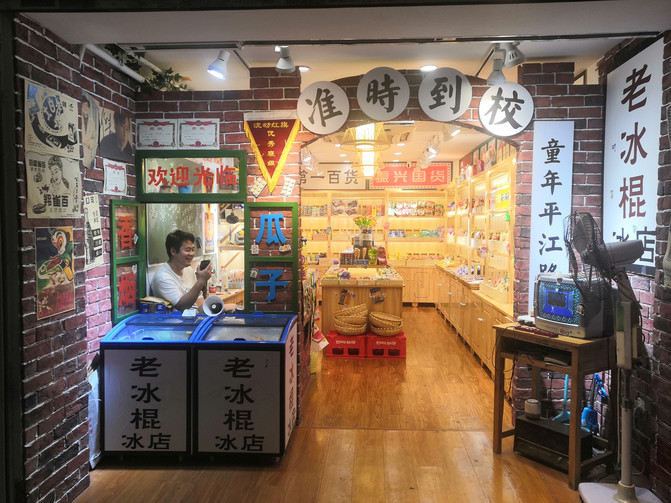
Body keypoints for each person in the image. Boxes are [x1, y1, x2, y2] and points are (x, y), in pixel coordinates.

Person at [151, 230, 212, 312]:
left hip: (195, 318)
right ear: (173, 251)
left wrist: (214, 309)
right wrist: (201, 280)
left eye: (193, 250)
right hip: (177, 320)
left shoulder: (188, 270)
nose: (191, 254)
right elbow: (182, 306)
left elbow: (199, 302)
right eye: (188, 250)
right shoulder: (162, 277)